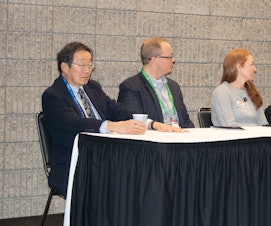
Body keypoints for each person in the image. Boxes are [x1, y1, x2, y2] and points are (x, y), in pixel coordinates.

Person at [42, 42, 185, 196]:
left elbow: (115, 109)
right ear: (64, 67)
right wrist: (111, 126)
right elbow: (73, 122)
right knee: (132, 176)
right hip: (76, 162)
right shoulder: (53, 95)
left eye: (90, 65)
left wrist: (152, 124)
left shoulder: (93, 88)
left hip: (105, 157)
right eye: (82, 65)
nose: (87, 70)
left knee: (146, 170)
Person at [118, 36, 194, 128]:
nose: (173, 60)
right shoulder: (131, 87)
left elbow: (185, 120)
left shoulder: (174, 86)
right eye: (169, 57)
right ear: (154, 60)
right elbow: (133, 122)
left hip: (179, 137)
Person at [211, 49, 267, 127]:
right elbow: (230, 127)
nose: (255, 69)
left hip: (256, 137)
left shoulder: (252, 92)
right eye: (251, 64)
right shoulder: (222, 92)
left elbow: (263, 124)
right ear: (239, 67)